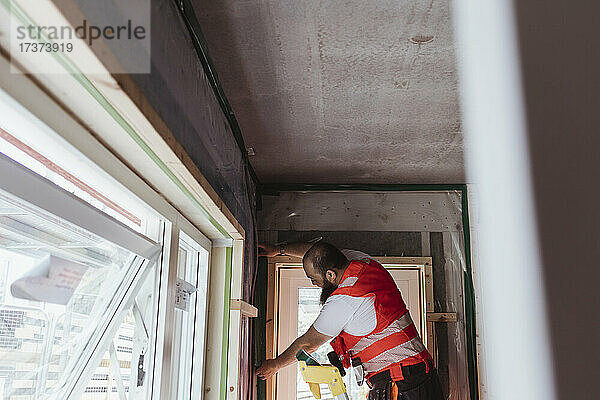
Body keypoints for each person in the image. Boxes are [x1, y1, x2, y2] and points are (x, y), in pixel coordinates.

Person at [256, 241, 444, 400]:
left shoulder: (345, 299)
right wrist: (279, 250)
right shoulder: (361, 261)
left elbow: (308, 343)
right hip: (416, 377)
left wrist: (275, 365)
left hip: (402, 385)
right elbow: (317, 252)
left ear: (330, 275)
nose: (313, 284)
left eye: (314, 279)